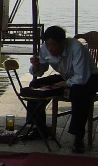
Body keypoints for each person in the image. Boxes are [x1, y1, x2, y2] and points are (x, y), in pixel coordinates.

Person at [29, 25, 98, 153]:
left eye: (53, 45)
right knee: (34, 85)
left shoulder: (76, 48)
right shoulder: (45, 48)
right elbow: (40, 71)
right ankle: (40, 128)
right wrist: (36, 66)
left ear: (63, 42)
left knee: (79, 93)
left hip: (89, 78)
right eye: (48, 45)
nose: (50, 48)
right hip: (66, 76)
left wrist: (64, 84)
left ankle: (78, 137)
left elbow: (81, 77)